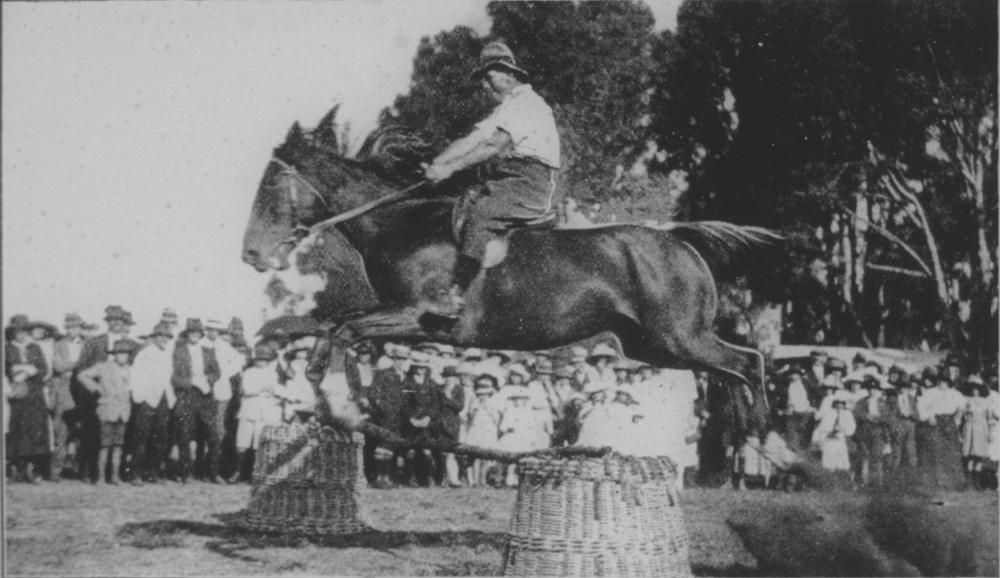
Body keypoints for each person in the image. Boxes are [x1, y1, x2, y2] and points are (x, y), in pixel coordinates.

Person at [422, 40, 561, 322]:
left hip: (531, 182)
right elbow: (473, 139)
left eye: (488, 78)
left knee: (482, 213)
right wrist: (439, 163)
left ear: (508, 73)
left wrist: (450, 169)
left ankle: (457, 295)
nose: (485, 86)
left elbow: (495, 146)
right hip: (507, 177)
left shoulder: (529, 104)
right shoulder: (507, 108)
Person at [75, 305, 138, 483]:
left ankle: (116, 474)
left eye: (120, 321)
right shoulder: (95, 342)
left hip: (122, 403)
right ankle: (90, 473)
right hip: (99, 400)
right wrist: (95, 388)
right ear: (108, 322)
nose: (116, 324)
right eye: (113, 320)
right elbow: (82, 369)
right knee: (94, 438)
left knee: (118, 442)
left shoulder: (131, 345)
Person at [171, 318, 223, 484]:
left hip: (205, 396)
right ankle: (185, 473)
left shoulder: (208, 351)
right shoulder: (179, 351)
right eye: (192, 332)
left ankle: (212, 472)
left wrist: (208, 380)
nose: (195, 335)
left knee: (213, 435)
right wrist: (192, 382)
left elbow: (217, 372)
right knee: (184, 434)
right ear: (187, 334)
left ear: (201, 334)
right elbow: (174, 378)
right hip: (187, 395)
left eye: (198, 333)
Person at [126, 322, 177, 484]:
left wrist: (169, 398)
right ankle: (136, 474)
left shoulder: (167, 354)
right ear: (154, 337)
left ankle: (151, 472)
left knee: (160, 438)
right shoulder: (145, 354)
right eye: (160, 336)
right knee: (141, 437)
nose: (164, 339)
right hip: (146, 399)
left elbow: (167, 379)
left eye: (166, 337)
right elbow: (135, 377)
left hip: (162, 398)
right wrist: (140, 399)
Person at [5, 315, 52, 483]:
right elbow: (6, 369)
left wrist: (30, 370)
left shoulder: (34, 347)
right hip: (17, 395)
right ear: (13, 332)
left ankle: (30, 468)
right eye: (18, 331)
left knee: (34, 430)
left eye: (24, 331)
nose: (21, 334)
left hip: (34, 395)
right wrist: (19, 371)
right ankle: (14, 468)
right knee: (16, 430)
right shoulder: (8, 349)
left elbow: (43, 369)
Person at [230, 345, 285, 484]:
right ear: (255, 360)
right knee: (242, 442)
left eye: (265, 360)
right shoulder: (249, 372)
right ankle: (237, 472)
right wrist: (262, 388)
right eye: (259, 359)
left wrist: (272, 391)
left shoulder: (273, 373)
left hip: (264, 411)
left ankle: (255, 474)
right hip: (249, 409)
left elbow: (276, 391)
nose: (261, 362)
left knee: (258, 444)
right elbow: (247, 389)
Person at [365, 344, 409, 488]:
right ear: (393, 359)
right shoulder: (383, 374)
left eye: (404, 359)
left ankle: (386, 477)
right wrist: (384, 408)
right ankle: (378, 477)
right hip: (385, 417)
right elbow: (373, 394)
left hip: (399, 418)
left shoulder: (405, 377)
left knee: (390, 448)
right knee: (382, 447)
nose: (401, 362)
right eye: (398, 359)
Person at [49, 313, 84, 480]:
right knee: (61, 431)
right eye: (69, 327)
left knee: (79, 431)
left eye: (76, 327)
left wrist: (70, 367)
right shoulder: (59, 345)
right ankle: (57, 469)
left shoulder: (86, 344)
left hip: (81, 392)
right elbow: (58, 366)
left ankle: (75, 467)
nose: (73, 331)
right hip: (63, 391)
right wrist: (76, 364)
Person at [853, 373, 891, 486]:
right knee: (863, 455)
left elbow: (886, 417)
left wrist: (876, 418)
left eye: (874, 389)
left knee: (877, 455)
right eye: (869, 389)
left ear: (878, 391)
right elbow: (856, 413)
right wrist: (866, 416)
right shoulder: (862, 401)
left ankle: (877, 482)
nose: (871, 392)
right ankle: (862, 481)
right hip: (864, 429)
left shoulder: (882, 403)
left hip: (878, 431)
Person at [465, 374, 502, 486]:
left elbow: (497, 420)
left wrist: (488, 408)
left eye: (485, 394)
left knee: (486, 457)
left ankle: (483, 479)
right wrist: (475, 410)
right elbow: (470, 418)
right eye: (480, 394)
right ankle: (475, 480)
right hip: (477, 430)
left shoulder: (493, 403)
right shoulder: (474, 403)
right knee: (476, 457)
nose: (483, 397)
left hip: (488, 430)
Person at [813, 398, 856, 487]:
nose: (839, 408)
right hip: (829, 441)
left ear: (844, 406)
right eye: (837, 406)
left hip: (841, 441)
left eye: (841, 406)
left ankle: (845, 483)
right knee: (829, 463)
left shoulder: (847, 415)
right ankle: (828, 483)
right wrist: (830, 431)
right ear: (834, 406)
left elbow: (851, 429)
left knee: (843, 463)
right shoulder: (829, 414)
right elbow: (822, 428)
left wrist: (842, 430)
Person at [960, 376, 992, 487]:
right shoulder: (967, 401)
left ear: (980, 390)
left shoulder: (985, 402)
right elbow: (964, 417)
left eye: (977, 389)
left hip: (981, 428)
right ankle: (968, 482)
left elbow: (988, 418)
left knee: (979, 455)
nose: (975, 391)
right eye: (973, 389)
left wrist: (989, 433)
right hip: (970, 428)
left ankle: (976, 481)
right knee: (970, 455)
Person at [783, 366, 813, 452]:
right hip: (792, 412)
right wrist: (786, 407)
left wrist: (813, 406)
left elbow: (819, 394)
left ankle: (804, 451)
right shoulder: (786, 384)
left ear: (800, 375)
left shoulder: (806, 383)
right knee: (791, 432)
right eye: (791, 374)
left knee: (803, 431)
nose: (793, 376)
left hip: (805, 411)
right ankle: (793, 451)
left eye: (796, 374)